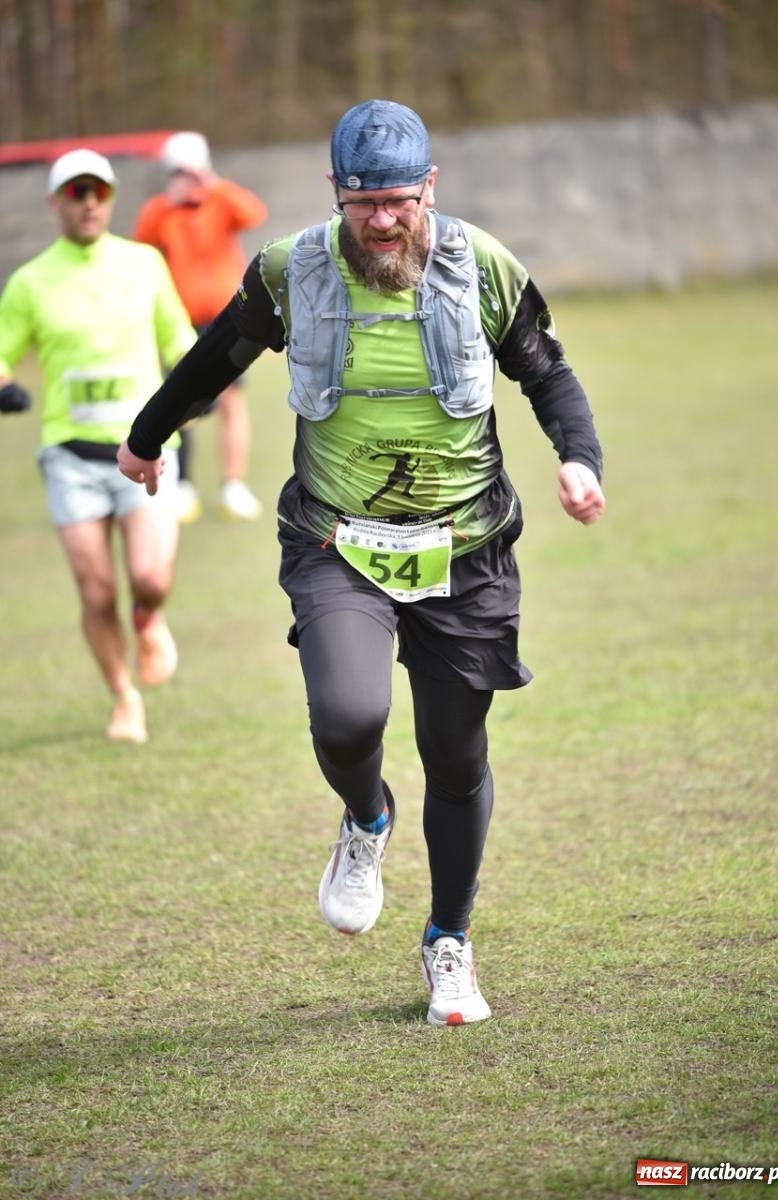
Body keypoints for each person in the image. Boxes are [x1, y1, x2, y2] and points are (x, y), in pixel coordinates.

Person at [118, 100, 606, 1023]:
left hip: (464, 547)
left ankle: (448, 942)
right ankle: (365, 816)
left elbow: (546, 372)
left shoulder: (481, 267)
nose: (381, 221)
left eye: (397, 201)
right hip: (336, 539)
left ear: (429, 187)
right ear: (334, 194)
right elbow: (218, 355)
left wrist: (578, 459)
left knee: (455, 755)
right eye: (362, 203)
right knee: (348, 717)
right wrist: (148, 436)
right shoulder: (290, 271)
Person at [0, 148, 196, 744]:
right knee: (96, 590)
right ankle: (123, 698)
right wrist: (5, 386)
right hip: (71, 457)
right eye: (75, 192)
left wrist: (200, 387)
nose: (88, 203)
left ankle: (149, 616)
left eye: (99, 192)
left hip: (144, 452)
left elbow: (179, 340)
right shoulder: (30, 281)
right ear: (54, 202)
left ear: (110, 199)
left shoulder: (144, 264)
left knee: (149, 577)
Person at [132, 131, 268, 523]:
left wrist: (212, 183)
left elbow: (253, 213)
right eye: (179, 173)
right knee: (182, 401)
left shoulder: (220, 200)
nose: (186, 180)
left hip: (228, 319)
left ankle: (233, 484)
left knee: (231, 400)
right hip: (180, 322)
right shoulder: (161, 210)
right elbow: (141, 245)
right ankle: (182, 484)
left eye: (191, 172)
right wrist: (169, 205)